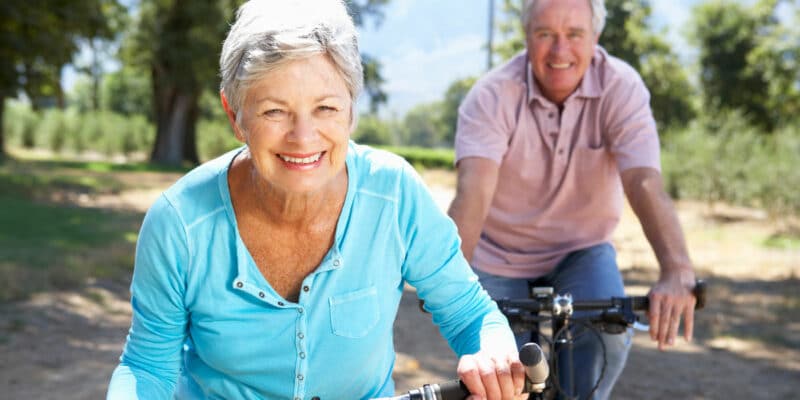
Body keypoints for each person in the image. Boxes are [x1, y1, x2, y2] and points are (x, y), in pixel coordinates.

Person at [106, 1, 527, 399]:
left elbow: (472, 314)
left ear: (350, 111)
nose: (303, 138)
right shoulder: (178, 224)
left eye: (325, 108)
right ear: (235, 116)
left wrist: (492, 351)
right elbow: (148, 367)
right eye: (274, 111)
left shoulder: (395, 194)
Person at [448, 0, 698, 399]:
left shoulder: (622, 86)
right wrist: (450, 279)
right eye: (545, 34)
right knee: (497, 368)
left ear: (595, 36)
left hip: (581, 250)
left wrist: (676, 268)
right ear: (527, 37)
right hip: (498, 253)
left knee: (608, 335)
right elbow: (473, 191)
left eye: (574, 35)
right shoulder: (492, 94)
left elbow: (644, 181)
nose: (559, 51)